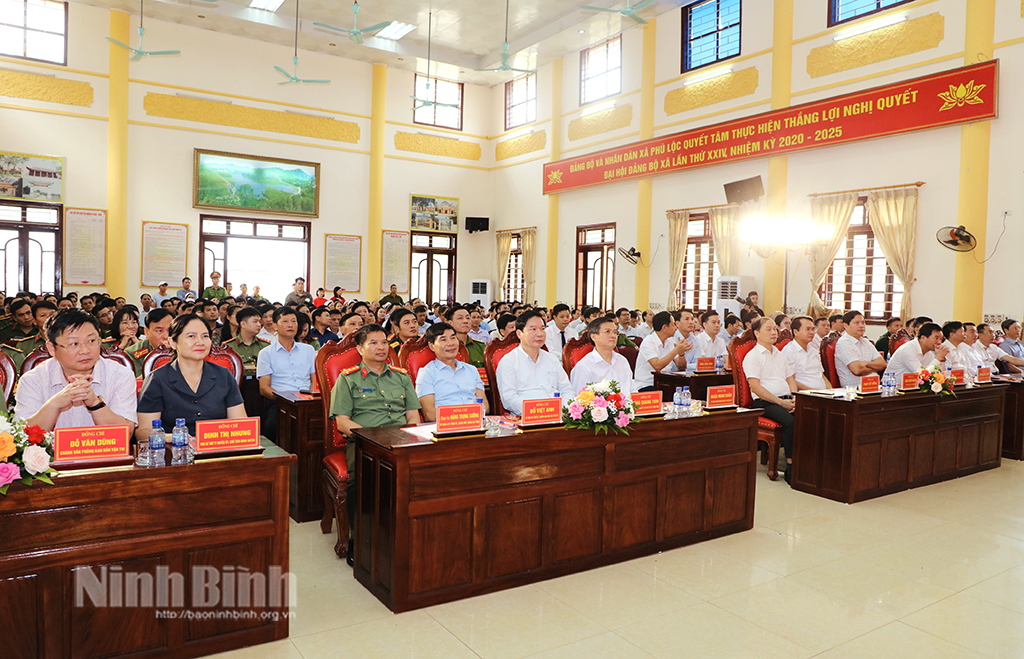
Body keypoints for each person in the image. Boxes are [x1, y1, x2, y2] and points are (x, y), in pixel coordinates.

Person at [332, 323, 420, 563]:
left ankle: (409, 534)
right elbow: (342, 423)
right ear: (360, 349)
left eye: (384, 342)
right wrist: (372, 438)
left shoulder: (401, 377)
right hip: (364, 442)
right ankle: (357, 537)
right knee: (357, 482)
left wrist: (409, 436)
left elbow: (413, 415)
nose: (381, 347)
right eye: (373, 343)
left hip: (402, 440)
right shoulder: (347, 379)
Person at [14, 309, 138, 431]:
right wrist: (54, 405)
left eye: (91, 341)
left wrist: (95, 403)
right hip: (51, 452)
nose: (85, 350)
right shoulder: (33, 380)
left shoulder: (120, 375)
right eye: (74, 344)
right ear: (52, 348)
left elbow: (126, 434)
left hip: (102, 451)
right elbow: (23, 437)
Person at [136, 313, 246, 440]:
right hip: (173, 452)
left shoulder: (224, 375)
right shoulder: (157, 379)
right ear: (173, 342)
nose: (200, 342)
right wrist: (173, 438)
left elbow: (240, 424)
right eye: (191, 336)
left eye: (205, 336)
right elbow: (143, 433)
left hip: (215, 449)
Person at [742, 317, 797, 483]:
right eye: (769, 329)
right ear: (757, 333)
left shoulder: (780, 355)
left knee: (811, 416)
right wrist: (781, 403)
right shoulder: (752, 356)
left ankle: (806, 463)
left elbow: (790, 379)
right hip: (765, 402)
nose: (774, 332)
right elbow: (755, 387)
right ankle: (791, 467)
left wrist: (795, 398)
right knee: (790, 423)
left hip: (787, 399)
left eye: (775, 329)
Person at [495, 311, 574, 415]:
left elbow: (567, 390)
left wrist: (562, 409)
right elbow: (509, 399)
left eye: (542, 329)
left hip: (556, 415)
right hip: (526, 419)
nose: (540, 334)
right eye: (533, 329)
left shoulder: (552, 359)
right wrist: (537, 411)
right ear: (519, 334)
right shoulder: (508, 361)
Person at [257, 306, 316, 440]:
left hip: (307, 401)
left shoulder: (308, 350)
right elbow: (264, 388)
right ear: (275, 326)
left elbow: (314, 380)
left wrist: (310, 398)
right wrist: (284, 400)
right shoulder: (266, 353)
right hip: (280, 402)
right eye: (285, 321)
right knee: (271, 428)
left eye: (294, 321)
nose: (290, 325)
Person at [415, 322, 487, 421]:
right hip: (446, 428)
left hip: (476, 424)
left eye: (453, 338)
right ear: (432, 346)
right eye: (443, 339)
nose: (451, 343)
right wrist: (462, 419)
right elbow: (429, 414)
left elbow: (485, 406)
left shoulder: (471, 370)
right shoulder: (426, 373)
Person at [570, 317, 634, 396]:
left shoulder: (622, 361)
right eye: (607, 331)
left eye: (615, 332)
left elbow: (632, 390)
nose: (613, 336)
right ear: (593, 337)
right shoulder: (584, 366)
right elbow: (579, 399)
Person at [633, 311, 690, 392]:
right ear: (664, 328)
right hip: (647, 385)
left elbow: (681, 367)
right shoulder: (649, 341)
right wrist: (676, 350)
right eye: (673, 324)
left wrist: (681, 353)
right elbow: (657, 366)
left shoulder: (670, 342)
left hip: (666, 383)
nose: (676, 327)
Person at [834, 310, 887, 387]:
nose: (861, 326)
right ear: (845, 326)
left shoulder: (865, 341)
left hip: (873, 386)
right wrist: (875, 368)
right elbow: (857, 370)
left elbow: (882, 364)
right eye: (856, 323)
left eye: (863, 322)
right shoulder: (844, 342)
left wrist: (864, 363)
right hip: (854, 390)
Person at [782, 316, 829, 390]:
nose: (812, 332)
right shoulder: (789, 351)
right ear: (796, 332)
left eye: (813, 329)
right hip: (805, 395)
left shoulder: (813, 350)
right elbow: (790, 380)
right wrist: (814, 392)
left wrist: (830, 391)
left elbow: (822, 376)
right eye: (807, 329)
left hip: (822, 394)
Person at [127, 308, 174, 376]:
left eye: (170, 330)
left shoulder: (184, 349)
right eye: (159, 331)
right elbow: (136, 382)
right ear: (147, 332)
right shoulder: (132, 353)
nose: (166, 336)